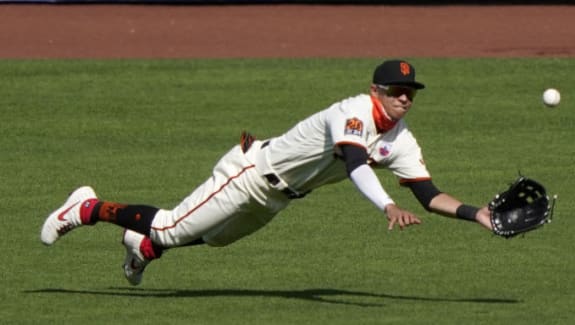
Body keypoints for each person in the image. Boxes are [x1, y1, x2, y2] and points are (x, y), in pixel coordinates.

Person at [41, 60, 493, 286]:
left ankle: (144, 247)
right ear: (375, 90)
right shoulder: (353, 112)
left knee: (214, 239)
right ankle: (86, 207)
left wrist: (477, 215)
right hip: (251, 172)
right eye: (397, 90)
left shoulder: (402, 139)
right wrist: (386, 204)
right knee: (172, 226)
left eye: (411, 92)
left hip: (278, 198)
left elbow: (429, 194)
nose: (405, 98)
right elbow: (355, 162)